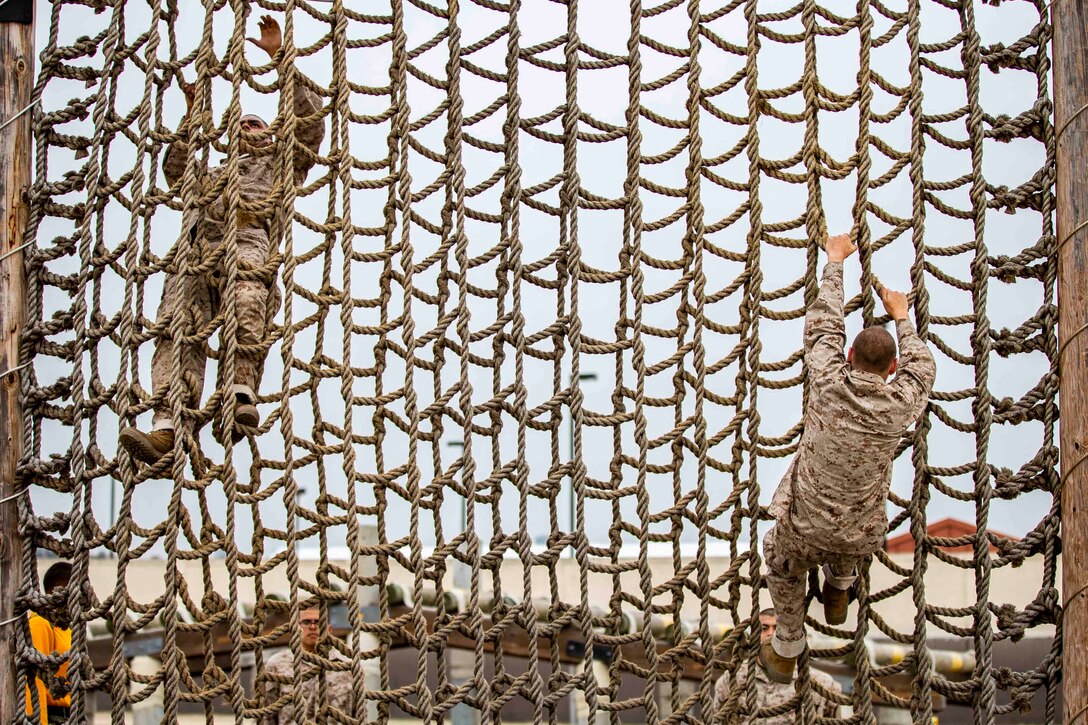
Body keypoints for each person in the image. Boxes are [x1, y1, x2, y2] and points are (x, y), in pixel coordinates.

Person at [119, 14, 325, 463]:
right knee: (177, 329)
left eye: (257, 124)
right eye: (243, 125)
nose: (250, 129)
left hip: (248, 240)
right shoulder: (210, 174)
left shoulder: (280, 166)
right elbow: (174, 171)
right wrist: (193, 117)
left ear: (270, 133)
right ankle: (168, 425)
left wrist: (279, 57)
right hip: (194, 251)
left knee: (247, 300)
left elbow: (311, 125)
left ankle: (238, 394)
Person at [761, 233, 936, 682]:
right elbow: (922, 365)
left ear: (849, 356)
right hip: (860, 536)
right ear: (891, 370)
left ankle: (786, 644)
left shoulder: (826, 379)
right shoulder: (901, 403)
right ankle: (839, 585)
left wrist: (835, 260)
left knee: (779, 556)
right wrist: (902, 317)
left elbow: (824, 325)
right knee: (848, 532)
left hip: (805, 529)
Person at [708, 608, 842, 722]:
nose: (771, 634)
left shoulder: (822, 684)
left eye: (778, 628)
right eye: (764, 628)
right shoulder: (733, 679)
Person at [260, 605, 355, 724]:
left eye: (318, 622)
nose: (313, 627)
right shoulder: (277, 665)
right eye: (306, 622)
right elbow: (266, 716)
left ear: (329, 630)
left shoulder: (347, 667)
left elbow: (359, 715)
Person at [26, 562, 73, 725]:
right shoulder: (41, 624)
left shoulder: (66, 628)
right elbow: (33, 680)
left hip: (69, 716)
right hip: (52, 718)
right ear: (61, 590)